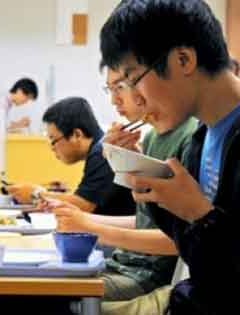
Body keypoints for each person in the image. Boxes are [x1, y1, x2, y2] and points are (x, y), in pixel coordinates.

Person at [100, 0, 240, 313]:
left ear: (183, 59)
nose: (134, 98)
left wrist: (201, 214)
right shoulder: (199, 141)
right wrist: (149, 183)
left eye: (134, 79)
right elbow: (200, 257)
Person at [51, 68, 197, 308]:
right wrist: (126, 160)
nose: (114, 100)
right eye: (111, 89)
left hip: (144, 277)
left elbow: (178, 240)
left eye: (120, 87)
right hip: (123, 264)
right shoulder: (152, 138)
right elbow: (146, 220)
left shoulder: (190, 136)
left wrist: (90, 225)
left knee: (35, 295)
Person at [7, 97, 135, 215]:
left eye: (53, 140)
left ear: (77, 135)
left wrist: (35, 194)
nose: (52, 147)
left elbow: (83, 205)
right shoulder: (97, 149)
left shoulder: (102, 152)